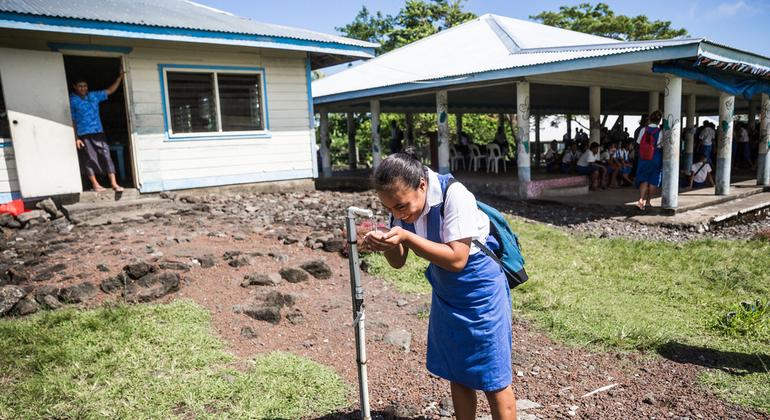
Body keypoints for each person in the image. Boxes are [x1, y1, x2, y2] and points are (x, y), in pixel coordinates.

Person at [364, 150, 517, 420]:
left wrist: (407, 239)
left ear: (422, 185)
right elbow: (398, 262)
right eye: (389, 209)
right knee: (458, 372)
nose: (397, 213)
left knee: (494, 377)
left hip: (479, 288)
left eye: (400, 206)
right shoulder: (399, 204)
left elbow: (457, 259)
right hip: (447, 291)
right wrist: (385, 243)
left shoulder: (455, 195)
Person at [70, 73, 125, 192]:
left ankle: (114, 183)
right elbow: (72, 120)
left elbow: (110, 91)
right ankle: (95, 184)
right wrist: (76, 138)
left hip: (98, 132)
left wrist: (119, 78)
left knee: (106, 155)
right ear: (74, 86)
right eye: (80, 86)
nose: (83, 88)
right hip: (83, 134)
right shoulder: (72, 100)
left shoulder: (93, 96)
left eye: (84, 86)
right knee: (90, 159)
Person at [635, 110, 664, 210]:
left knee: (644, 179)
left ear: (650, 118)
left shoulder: (644, 129)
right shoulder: (660, 131)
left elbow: (638, 142)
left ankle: (640, 200)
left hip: (644, 157)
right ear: (659, 121)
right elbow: (661, 145)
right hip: (655, 157)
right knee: (653, 180)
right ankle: (648, 202)